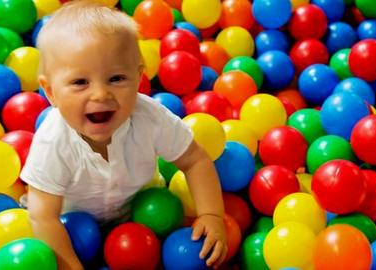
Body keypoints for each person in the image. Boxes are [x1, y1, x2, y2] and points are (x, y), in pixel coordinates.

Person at [20, 1, 227, 269]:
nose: (100, 94)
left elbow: (195, 159)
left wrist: (212, 214)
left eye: (116, 78)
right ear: (51, 92)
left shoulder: (149, 117)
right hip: (69, 224)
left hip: (142, 214)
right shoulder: (53, 140)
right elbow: (43, 217)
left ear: (138, 77)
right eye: (80, 82)